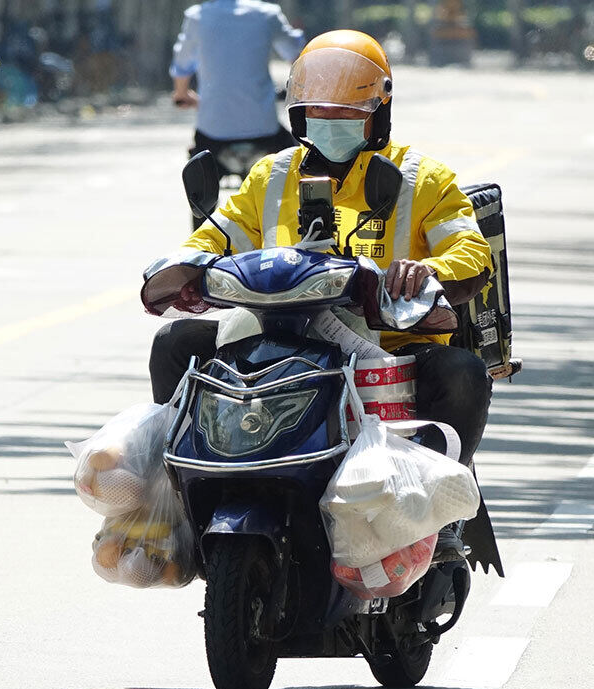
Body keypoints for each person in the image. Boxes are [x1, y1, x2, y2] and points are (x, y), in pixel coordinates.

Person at [150, 30, 494, 559]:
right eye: (318, 115)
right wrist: (185, 268)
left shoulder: (422, 179)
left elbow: (472, 255)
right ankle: (178, 503)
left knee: (461, 372)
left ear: (378, 113)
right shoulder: (270, 176)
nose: (330, 126)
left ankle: (440, 519)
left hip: (386, 353)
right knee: (174, 341)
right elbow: (215, 236)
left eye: (347, 115)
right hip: (276, 346)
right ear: (298, 116)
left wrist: (423, 273)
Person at [170, 0, 306, 185]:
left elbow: (182, 64)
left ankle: (201, 214)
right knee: (298, 168)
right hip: (263, 129)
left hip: (213, 131)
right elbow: (298, 56)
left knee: (202, 190)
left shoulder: (197, 16)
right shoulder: (267, 13)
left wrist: (182, 94)